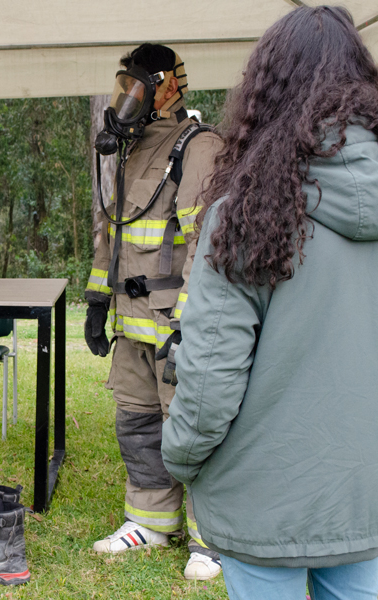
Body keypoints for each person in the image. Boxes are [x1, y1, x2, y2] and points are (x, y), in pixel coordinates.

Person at [161, 6, 378, 599]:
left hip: (266, 498)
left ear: (264, 89)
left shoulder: (246, 212)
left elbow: (209, 374)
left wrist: (179, 457)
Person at [83, 43, 223, 580]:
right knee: (137, 423)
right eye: (123, 86)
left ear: (168, 87)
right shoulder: (132, 149)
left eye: (136, 86)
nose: (126, 99)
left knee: (191, 426)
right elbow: (111, 235)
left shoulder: (200, 146)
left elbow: (207, 245)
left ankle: (212, 539)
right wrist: (98, 300)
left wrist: (192, 324)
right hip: (130, 325)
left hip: (172, 323)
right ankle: (150, 521)